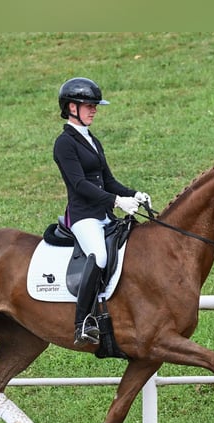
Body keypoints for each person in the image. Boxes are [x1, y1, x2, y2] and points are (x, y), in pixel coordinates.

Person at [53, 77, 151, 347]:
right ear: (71, 107)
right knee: (99, 256)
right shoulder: (64, 143)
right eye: (88, 105)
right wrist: (117, 201)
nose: (93, 110)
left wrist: (133, 194)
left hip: (104, 216)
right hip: (83, 216)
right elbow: (79, 184)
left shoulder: (92, 140)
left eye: (95, 105)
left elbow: (107, 180)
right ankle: (83, 322)